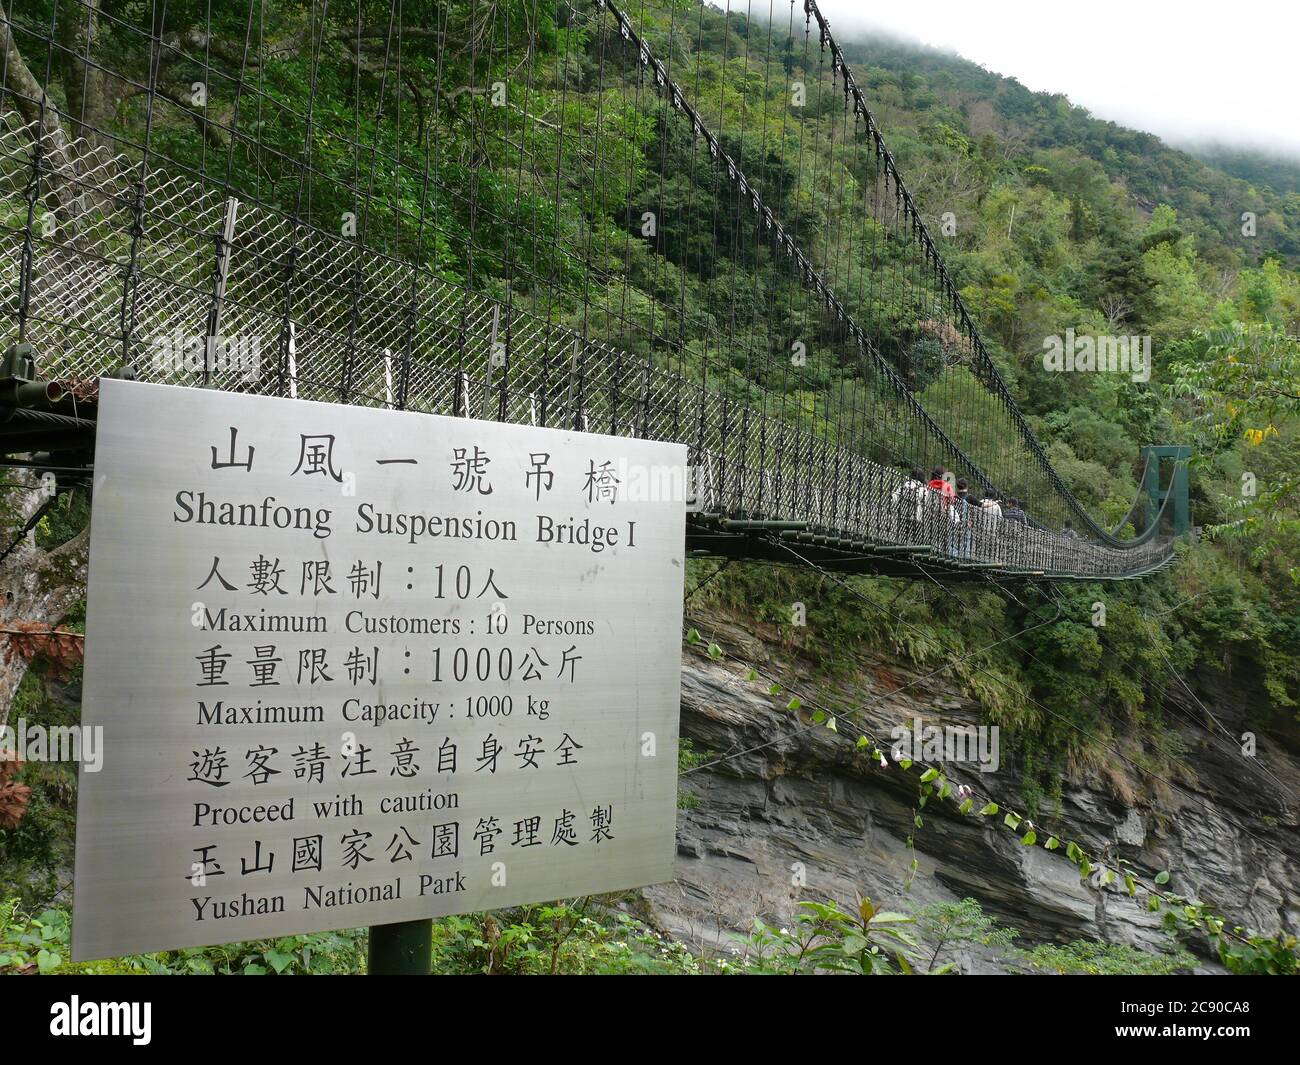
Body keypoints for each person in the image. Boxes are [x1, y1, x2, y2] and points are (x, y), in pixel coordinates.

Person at [890, 467, 929, 541]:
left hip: (902, 515)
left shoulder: (905, 485)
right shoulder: (922, 488)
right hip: (916, 518)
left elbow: (895, 497)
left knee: (902, 538)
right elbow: (926, 502)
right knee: (916, 540)